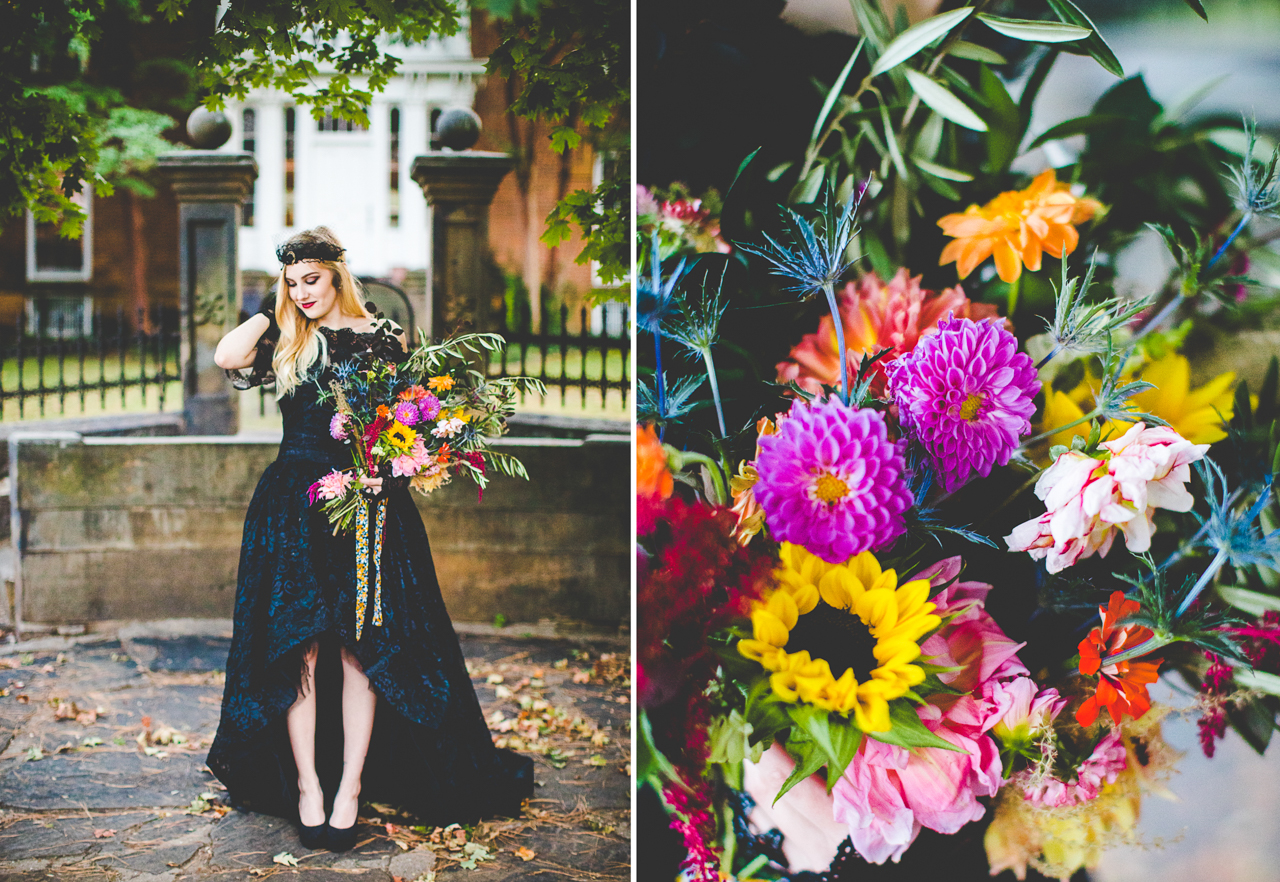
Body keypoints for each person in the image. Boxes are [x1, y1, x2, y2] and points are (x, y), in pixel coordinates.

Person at [207, 226, 532, 852]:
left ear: (337, 276)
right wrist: (271, 309)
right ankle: (309, 787)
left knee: (362, 649)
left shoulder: (382, 337)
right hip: (292, 507)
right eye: (293, 282)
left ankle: (349, 788)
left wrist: (389, 462)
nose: (303, 292)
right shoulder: (284, 337)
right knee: (298, 649)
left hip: (366, 504)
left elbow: (408, 414)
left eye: (312, 279)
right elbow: (226, 356)